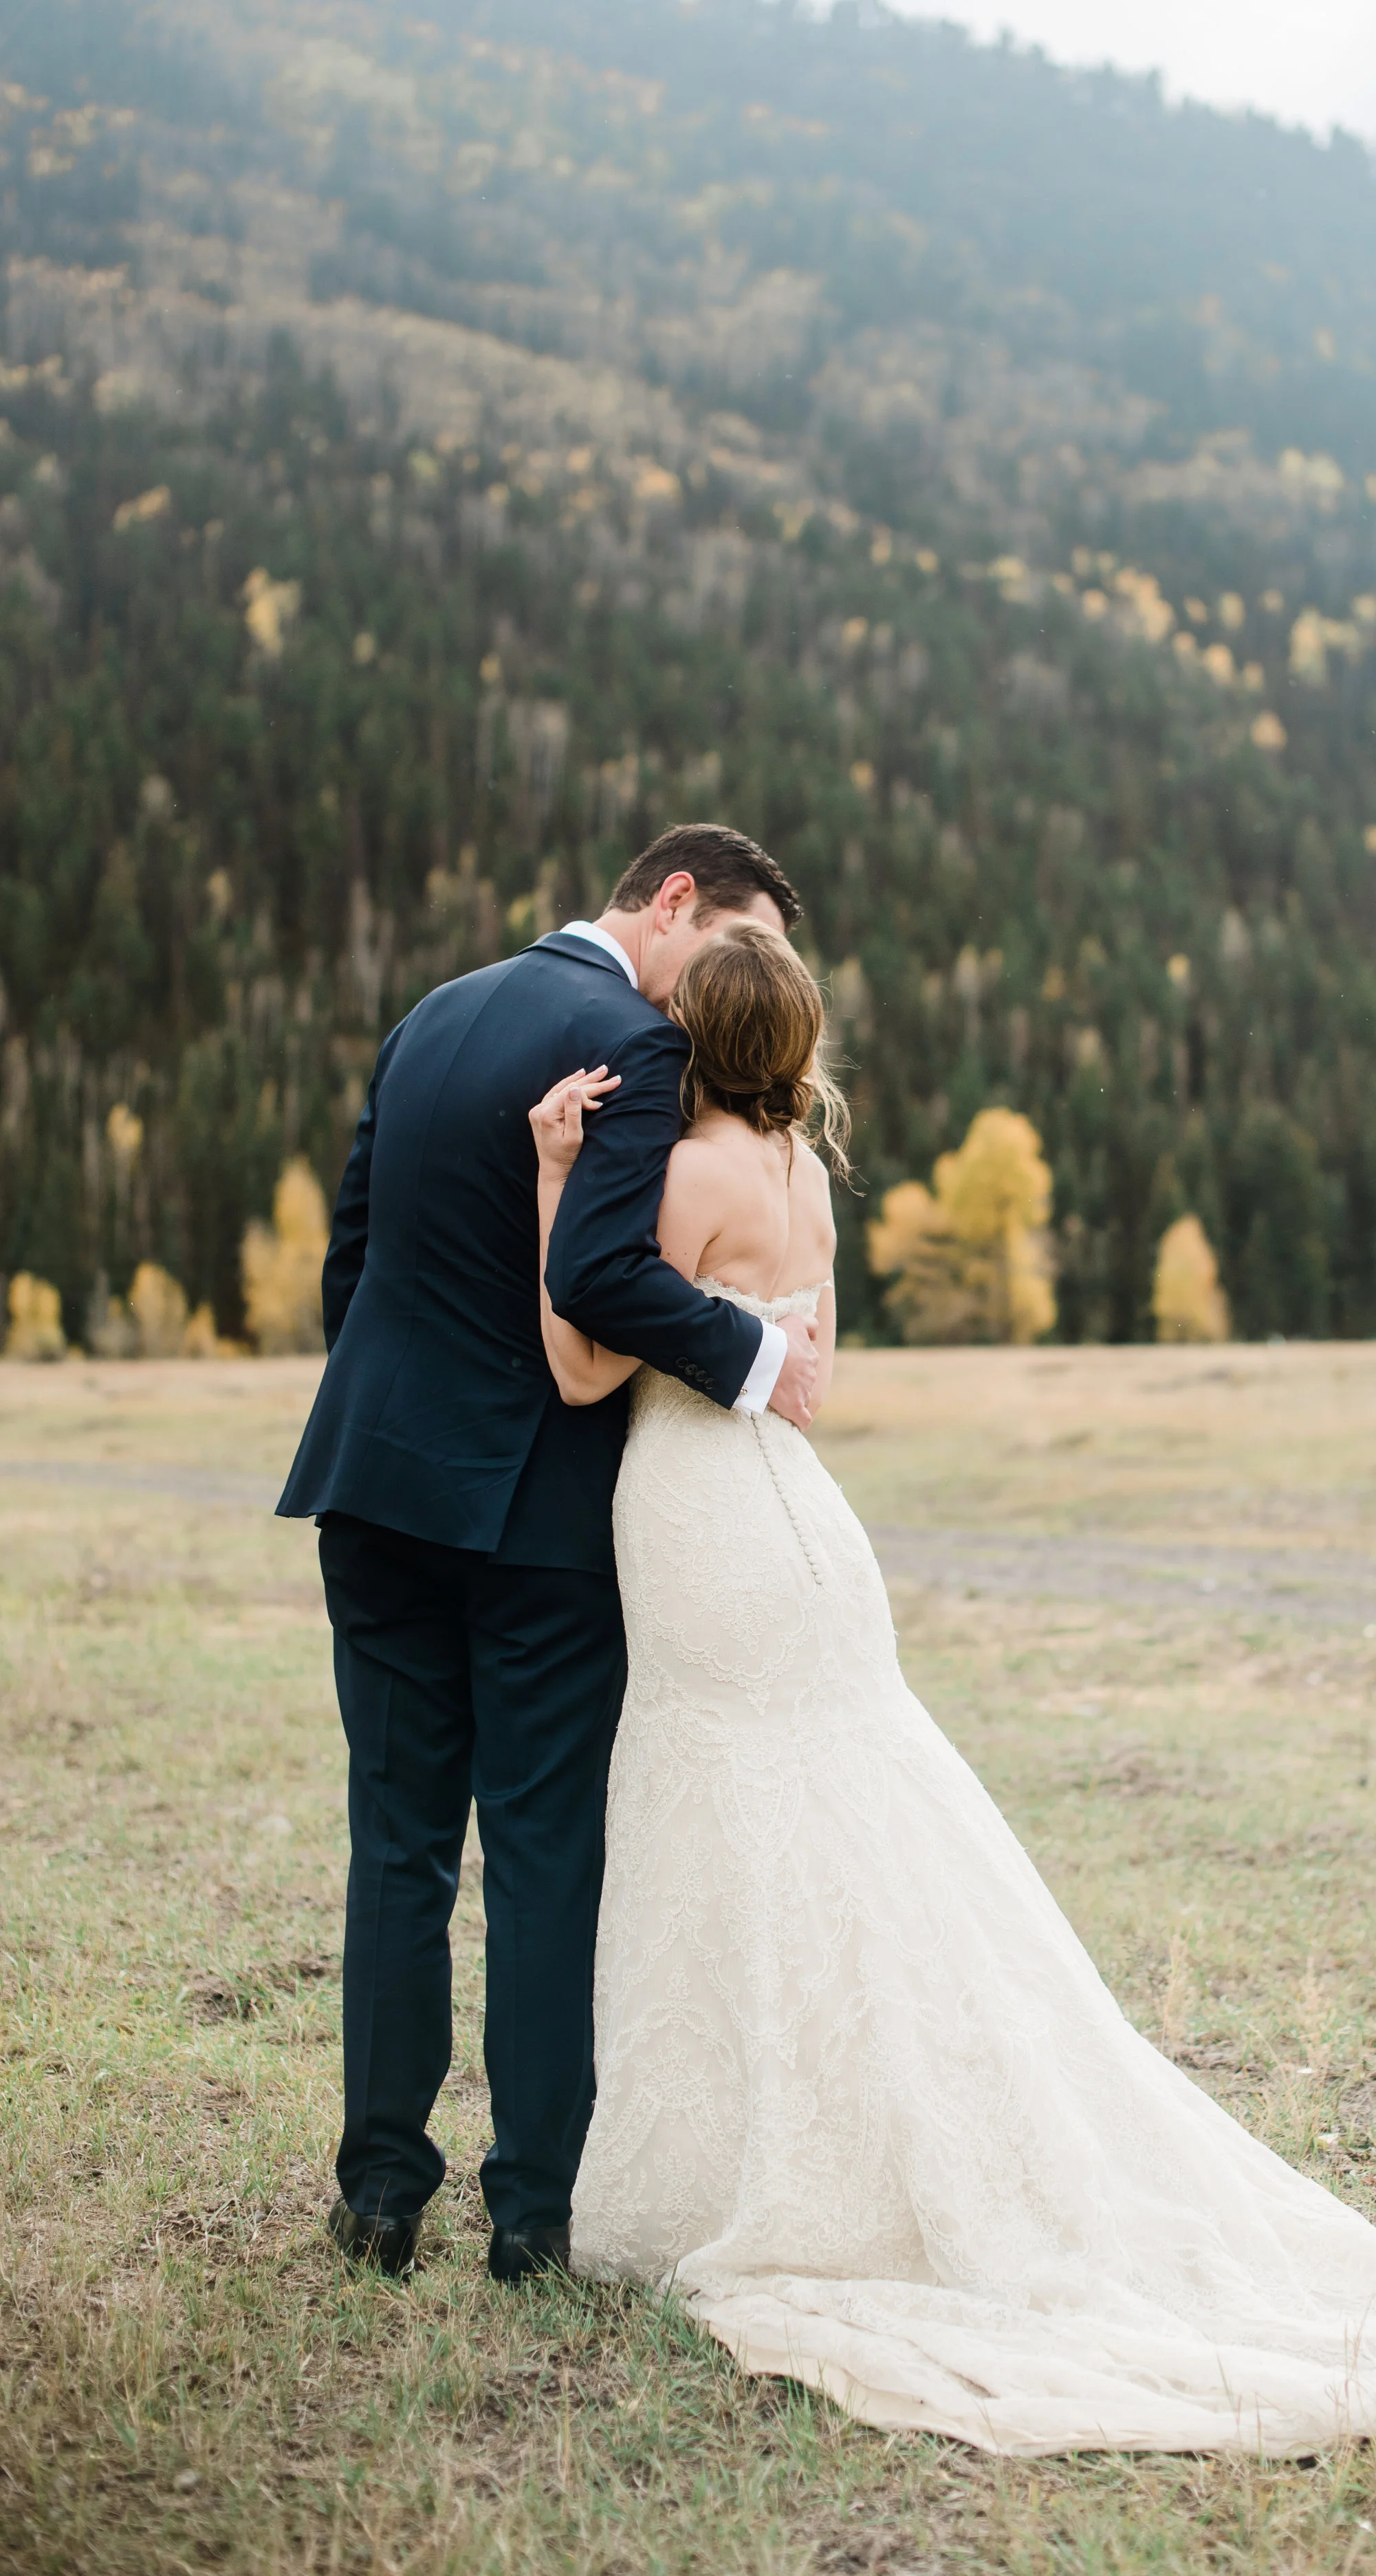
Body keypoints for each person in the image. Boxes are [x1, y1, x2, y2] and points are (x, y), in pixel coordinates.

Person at [526, 920, 1376, 2458]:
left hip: (700, 1526)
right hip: (808, 1529)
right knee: (843, 1830)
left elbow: (582, 1372)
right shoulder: (803, 1183)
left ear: (692, 1042)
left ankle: (765, 2166)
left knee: (724, 1827)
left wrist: (553, 1180)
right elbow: (810, 1383)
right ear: (793, 1048)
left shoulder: (677, 1178)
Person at [276, 825, 820, 2284]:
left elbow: (353, 1254)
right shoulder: (630, 1045)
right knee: (537, 1862)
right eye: (729, 955)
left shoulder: (430, 1014)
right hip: (534, 1516)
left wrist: (400, 1418)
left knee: (395, 1846)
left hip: (374, 1487)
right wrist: (763, 1363)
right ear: (674, 902)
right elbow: (595, 1275)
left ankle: (380, 2198)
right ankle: (532, 2215)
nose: (721, 997)